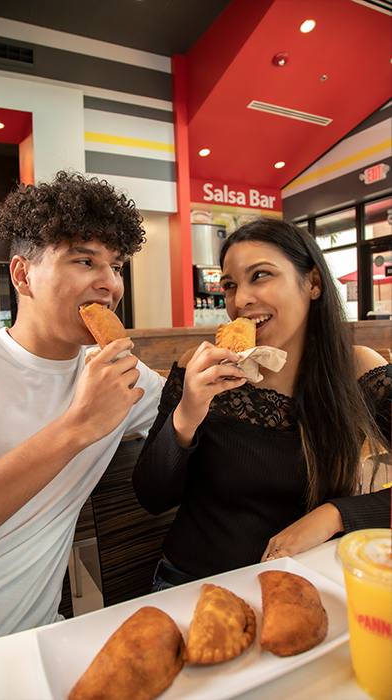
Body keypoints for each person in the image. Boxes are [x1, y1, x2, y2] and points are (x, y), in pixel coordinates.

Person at [0, 171, 165, 655]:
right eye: (84, 260)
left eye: (116, 266)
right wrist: (76, 428)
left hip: (32, 644)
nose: (109, 283)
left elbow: (211, 413)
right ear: (22, 275)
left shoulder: (118, 374)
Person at [132, 217, 391, 591]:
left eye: (261, 276)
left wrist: (335, 515)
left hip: (307, 586)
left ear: (313, 283)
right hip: (193, 585)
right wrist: (187, 413)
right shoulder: (199, 368)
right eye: (230, 285)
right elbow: (152, 497)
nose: (240, 301)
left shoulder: (357, 370)